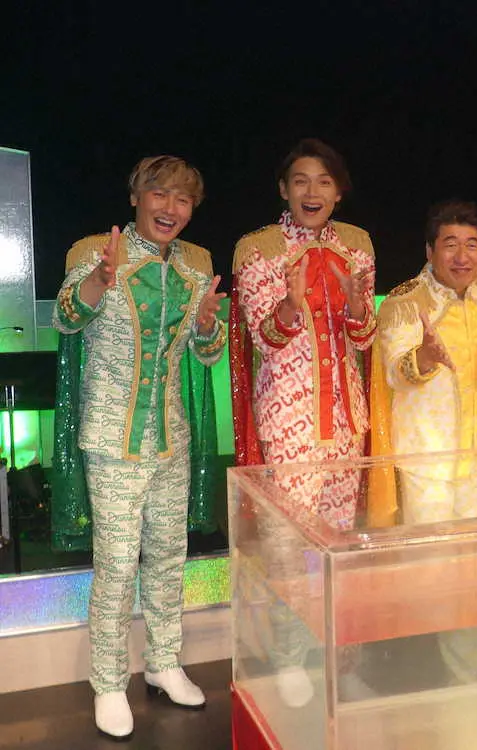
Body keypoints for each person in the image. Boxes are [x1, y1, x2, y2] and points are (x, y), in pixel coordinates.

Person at [51, 156, 226, 738]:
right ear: (136, 197)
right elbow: (66, 319)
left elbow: (206, 353)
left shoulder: (195, 269)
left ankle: (163, 663)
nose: (170, 208)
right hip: (112, 438)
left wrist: (208, 326)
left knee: (170, 556)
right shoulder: (100, 254)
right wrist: (99, 280)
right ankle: (108, 682)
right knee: (119, 562)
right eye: (160, 194)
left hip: (170, 437)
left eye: (183, 199)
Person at [228, 138, 376, 705]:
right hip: (289, 416)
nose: (312, 191)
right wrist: (290, 307)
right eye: (300, 181)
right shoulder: (259, 248)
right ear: (283, 189)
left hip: (347, 418)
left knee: (339, 547)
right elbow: (263, 338)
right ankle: (290, 659)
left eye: (324, 181)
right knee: (287, 546)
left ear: (339, 191)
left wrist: (358, 310)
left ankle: (339, 659)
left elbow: (364, 336)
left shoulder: (357, 245)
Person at [371, 200, 477, 683]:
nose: (462, 256)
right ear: (430, 250)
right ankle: (443, 667)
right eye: (450, 244)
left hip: (476, 454)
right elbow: (394, 374)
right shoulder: (404, 302)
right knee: (434, 571)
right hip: (428, 459)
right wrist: (424, 357)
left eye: (471, 245)